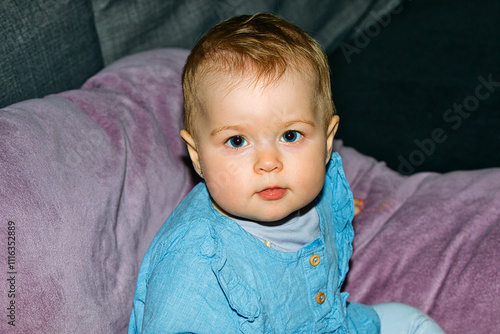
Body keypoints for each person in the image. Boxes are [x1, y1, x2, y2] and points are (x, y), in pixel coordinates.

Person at [129, 13, 444, 333]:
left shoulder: (318, 189)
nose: (268, 162)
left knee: (411, 322)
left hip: (330, 324)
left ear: (326, 141)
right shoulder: (198, 261)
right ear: (198, 156)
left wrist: (333, 210)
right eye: (237, 141)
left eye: (290, 135)